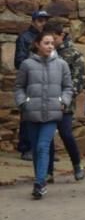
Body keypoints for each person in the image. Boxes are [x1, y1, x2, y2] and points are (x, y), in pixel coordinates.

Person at [14, 30, 73, 199]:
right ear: (37, 44)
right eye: (46, 43)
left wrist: (63, 101)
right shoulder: (27, 65)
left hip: (52, 113)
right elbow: (19, 87)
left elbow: (68, 87)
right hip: (31, 113)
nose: (49, 46)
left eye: (52, 43)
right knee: (36, 149)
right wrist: (23, 103)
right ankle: (40, 180)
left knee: (43, 146)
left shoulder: (61, 64)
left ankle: (39, 183)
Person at [45, 22, 85, 182]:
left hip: (64, 105)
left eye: (54, 38)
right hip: (46, 103)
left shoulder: (74, 54)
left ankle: (77, 164)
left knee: (66, 134)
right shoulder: (43, 52)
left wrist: (65, 98)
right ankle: (48, 171)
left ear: (61, 35)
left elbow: (79, 80)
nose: (51, 42)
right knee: (47, 137)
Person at [14, 9, 50, 160]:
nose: (43, 23)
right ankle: (26, 147)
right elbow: (18, 61)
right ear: (33, 21)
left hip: (46, 80)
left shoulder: (48, 38)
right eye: (40, 20)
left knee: (46, 114)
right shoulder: (24, 37)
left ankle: (44, 149)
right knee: (28, 114)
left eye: (45, 20)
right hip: (30, 81)